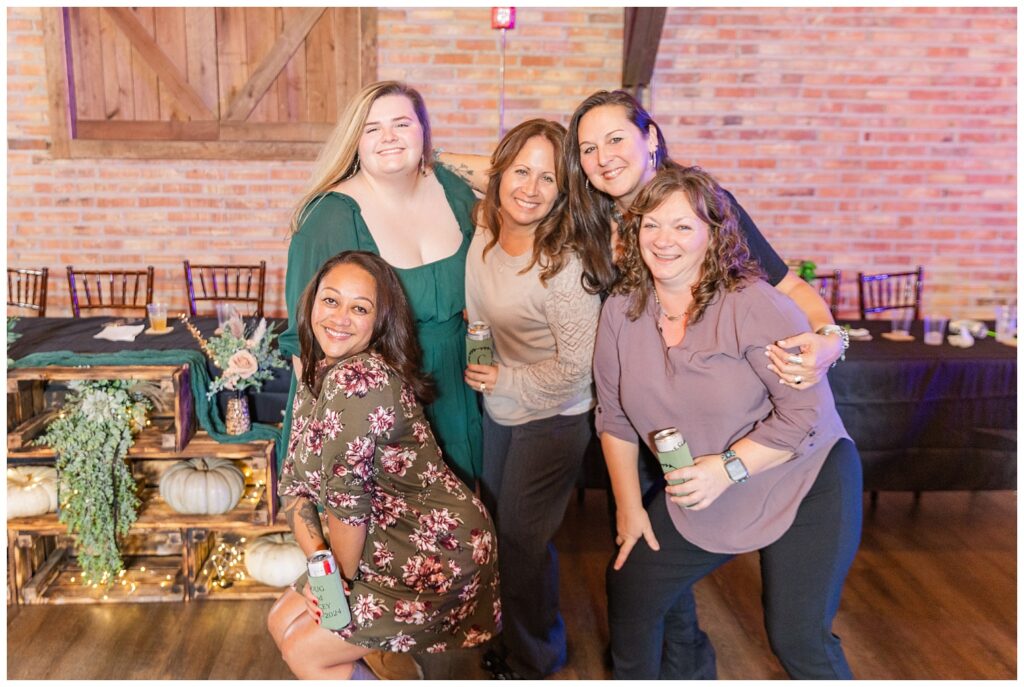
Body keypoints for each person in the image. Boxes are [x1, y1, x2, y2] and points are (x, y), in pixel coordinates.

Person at [594, 166, 862, 679]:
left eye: (682, 226)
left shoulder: (754, 304)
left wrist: (726, 469)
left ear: (712, 235)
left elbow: (804, 418)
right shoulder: (620, 310)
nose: (663, 240)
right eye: (651, 225)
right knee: (631, 588)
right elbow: (615, 417)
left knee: (797, 639)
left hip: (805, 478)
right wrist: (630, 510)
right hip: (707, 486)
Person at [441, 89, 848, 390]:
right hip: (634, 398)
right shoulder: (589, 216)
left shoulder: (703, 207)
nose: (603, 158)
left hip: (717, 392)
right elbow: (503, 176)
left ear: (650, 137)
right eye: (588, 149)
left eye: (616, 139)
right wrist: (423, 154)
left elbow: (787, 285)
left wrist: (830, 340)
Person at [267, 251, 501, 679]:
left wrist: (335, 587)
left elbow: (347, 507)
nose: (339, 318)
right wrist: (322, 569)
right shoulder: (316, 370)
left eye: (360, 308)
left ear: (380, 322)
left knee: (306, 650)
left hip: (431, 550)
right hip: (377, 542)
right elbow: (293, 488)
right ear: (311, 303)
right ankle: (390, 669)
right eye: (331, 300)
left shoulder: (360, 382)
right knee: (280, 621)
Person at [280, 80, 482, 488]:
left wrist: (436, 156)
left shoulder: (453, 189)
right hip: (377, 399)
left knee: (459, 527)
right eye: (372, 129)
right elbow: (301, 340)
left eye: (403, 124)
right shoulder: (330, 217)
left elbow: (526, 177)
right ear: (355, 141)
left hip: (457, 390)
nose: (388, 137)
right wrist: (324, 439)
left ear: (424, 131)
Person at [462, 119, 601, 679]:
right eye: (521, 171)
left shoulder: (565, 266)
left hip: (554, 416)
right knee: (494, 533)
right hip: (501, 410)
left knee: (521, 542)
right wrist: (431, 150)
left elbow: (577, 368)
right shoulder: (483, 226)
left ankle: (536, 658)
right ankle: (507, 638)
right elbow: (469, 170)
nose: (531, 188)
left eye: (549, 177)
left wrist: (505, 381)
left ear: (564, 190)